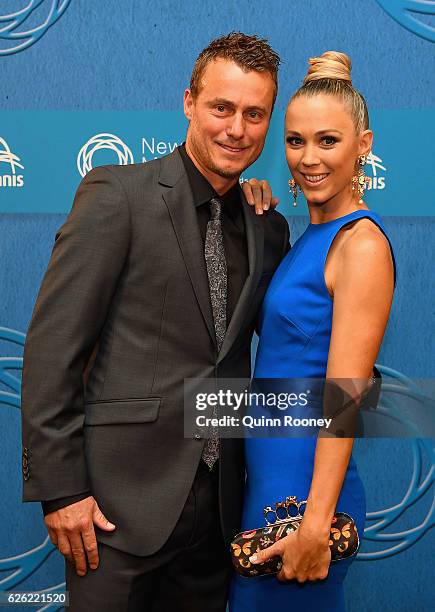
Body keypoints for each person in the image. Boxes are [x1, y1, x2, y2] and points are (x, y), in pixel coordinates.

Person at [20, 33, 289, 611]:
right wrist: (60, 490)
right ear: (188, 102)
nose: (236, 129)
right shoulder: (118, 196)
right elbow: (52, 350)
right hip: (116, 514)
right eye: (222, 108)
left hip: (218, 515)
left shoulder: (268, 227)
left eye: (254, 114)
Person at [229, 51, 396, 611]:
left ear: (364, 145)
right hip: (269, 486)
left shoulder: (362, 245)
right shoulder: (308, 239)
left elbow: (344, 398)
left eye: (328, 141)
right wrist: (245, 204)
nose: (308, 158)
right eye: (296, 141)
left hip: (305, 504)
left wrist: (316, 526)